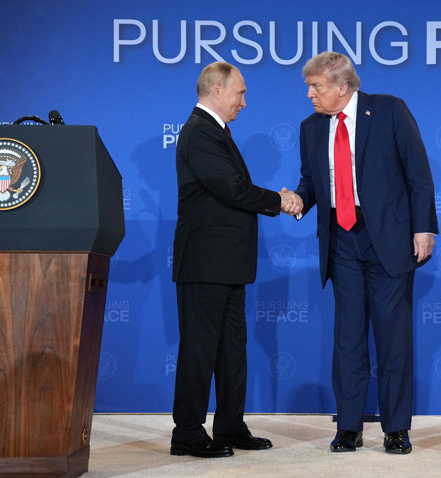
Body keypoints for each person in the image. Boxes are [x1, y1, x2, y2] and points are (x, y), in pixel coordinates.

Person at [294, 52, 438, 454]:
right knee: (348, 338)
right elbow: (311, 181)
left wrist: (424, 227)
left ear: (342, 87)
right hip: (341, 241)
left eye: (315, 86)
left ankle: (396, 428)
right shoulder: (310, 128)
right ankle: (348, 426)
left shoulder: (389, 110)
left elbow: (418, 173)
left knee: (393, 338)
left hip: (389, 239)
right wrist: (299, 200)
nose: (309, 94)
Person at [170, 61, 301, 458]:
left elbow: (233, 189)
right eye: (240, 93)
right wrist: (279, 200)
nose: (244, 101)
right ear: (217, 90)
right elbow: (232, 188)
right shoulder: (200, 132)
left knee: (231, 351)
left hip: (227, 264)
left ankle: (229, 425)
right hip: (205, 263)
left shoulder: (214, 132)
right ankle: (187, 432)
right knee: (200, 350)